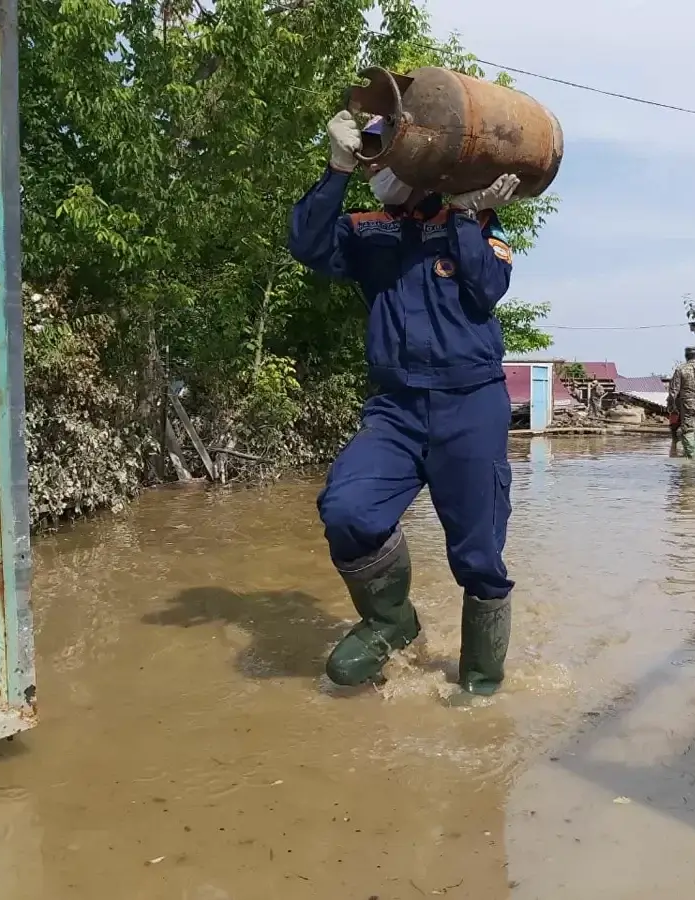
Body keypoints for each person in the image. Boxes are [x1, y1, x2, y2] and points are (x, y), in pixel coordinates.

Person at [287, 110, 521, 696]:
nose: (379, 159)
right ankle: (394, 620)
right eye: (373, 147)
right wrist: (337, 170)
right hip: (394, 409)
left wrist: (466, 217)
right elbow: (308, 245)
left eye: (384, 146)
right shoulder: (369, 230)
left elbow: (487, 287)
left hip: (469, 405)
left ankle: (480, 686)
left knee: (479, 556)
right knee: (347, 510)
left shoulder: (478, 224)